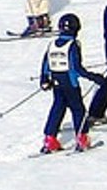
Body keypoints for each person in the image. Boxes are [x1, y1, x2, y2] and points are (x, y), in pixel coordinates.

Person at [37, 13, 103, 153]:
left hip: (56, 82)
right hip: (70, 83)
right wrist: (95, 77)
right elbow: (77, 68)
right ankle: (82, 138)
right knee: (78, 109)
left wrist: (44, 80)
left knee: (57, 108)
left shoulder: (52, 44)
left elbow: (45, 65)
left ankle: (50, 139)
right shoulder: (73, 44)